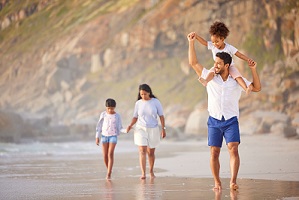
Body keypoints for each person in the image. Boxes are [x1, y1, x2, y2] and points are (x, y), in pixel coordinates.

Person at [187, 32, 261, 190]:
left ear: (227, 66)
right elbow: (193, 63)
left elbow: (256, 88)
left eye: (219, 63)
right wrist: (191, 43)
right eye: (215, 62)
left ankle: (233, 181)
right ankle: (217, 182)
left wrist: (253, 69)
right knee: (214, 152)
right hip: (214, 120)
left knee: (233, 148)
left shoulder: (236, 80)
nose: (216, 65)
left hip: (231, 120)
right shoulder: (210, 76)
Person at [194, 21, 255, 95]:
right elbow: (204, 42)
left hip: (229, 66)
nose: (214, 44)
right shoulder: (213, 46)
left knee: (237, 76)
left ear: (222, 39)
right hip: (218, 65)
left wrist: (248, 60)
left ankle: (246, 88)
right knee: (212, 72)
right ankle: (206, 81)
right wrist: (196, 36)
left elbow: (239, 55)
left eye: (216, 41)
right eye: (213, 42)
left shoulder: (229, 47)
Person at [126, 84, 166, 180]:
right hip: (140, 129)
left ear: (149, 92)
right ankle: (143, 173)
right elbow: (135, 117)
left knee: (151, 152)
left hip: (153, 129)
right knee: (142, 151)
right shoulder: (138, 103)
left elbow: (161, 116)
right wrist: (130, 125)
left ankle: (151, 171)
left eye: (145, 94)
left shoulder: (156, 102)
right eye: (141, 94)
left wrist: (163, 129)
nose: (143, 96)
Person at [95, 98, 124, 180]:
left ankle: (108, 174)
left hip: (113, 137)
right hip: (104, 136)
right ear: (106, 107)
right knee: (105, 156)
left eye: (112, 108)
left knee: (110, 154)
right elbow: (99, 126)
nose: (110, 110)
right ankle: (109, 170)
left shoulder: (117, 116)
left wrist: (126, 130)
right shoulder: (103, 114)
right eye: (108, 108)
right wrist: (97, 137)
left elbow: (120, 127)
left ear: (114, 107)